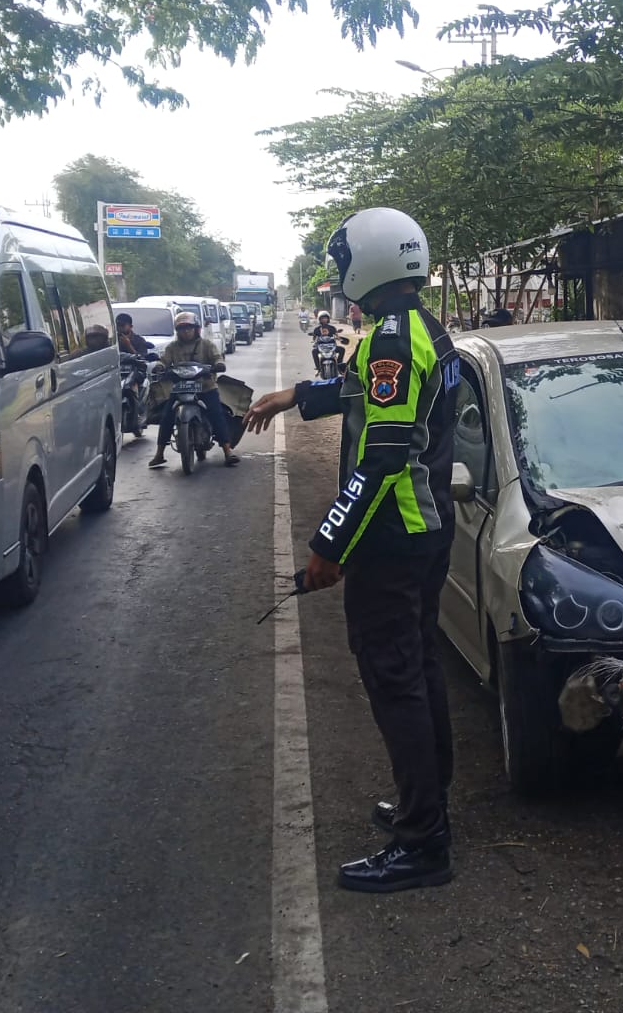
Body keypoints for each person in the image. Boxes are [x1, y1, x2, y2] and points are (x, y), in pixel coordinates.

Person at [243, 206, 458, 894]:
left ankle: (422, 842)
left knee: (394, 677)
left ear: (369, 263)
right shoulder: (422, 328)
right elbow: (363, 392)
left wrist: (329, 545)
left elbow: (385, 455)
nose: (339, 276)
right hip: (428, 528)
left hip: (392, 534)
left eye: (342, 263)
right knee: (419, 665)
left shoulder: (391, 339)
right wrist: (292, 397)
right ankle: (429, 801)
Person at [149, 311, 238, 468]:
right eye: (182, 328)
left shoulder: (207, 345)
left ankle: (227, 451)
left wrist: (218, 364)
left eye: (189, 328)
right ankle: (159, 453)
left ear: (196, 329)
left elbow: (217, 358)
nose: (186, 331)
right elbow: (164, 361)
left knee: (217, 415)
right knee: (167, 417)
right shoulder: (172, 347)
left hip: (205, 387)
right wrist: (160, 366)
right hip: (180, 388)